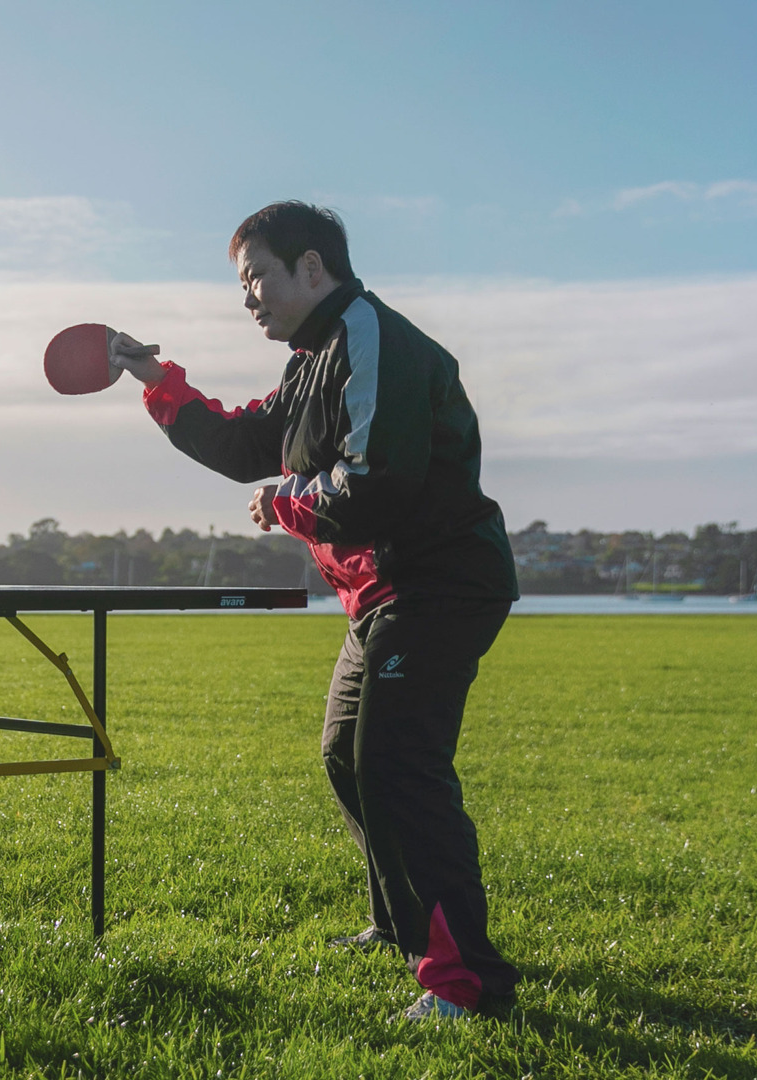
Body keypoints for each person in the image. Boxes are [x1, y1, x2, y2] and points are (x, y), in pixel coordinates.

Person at [111, 201, 521, 1020]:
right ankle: (402, 926)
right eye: (242, 284)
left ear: (311, 267)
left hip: (438, 584)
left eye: (257, 276)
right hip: (382, 593)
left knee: (398, 769)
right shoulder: (312, 360)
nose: (249, 296)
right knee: (346, 754)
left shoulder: (371, 338)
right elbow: (243, 445)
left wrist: (287, 503)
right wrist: (160, 384)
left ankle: (465, 983)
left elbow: (375, 484)